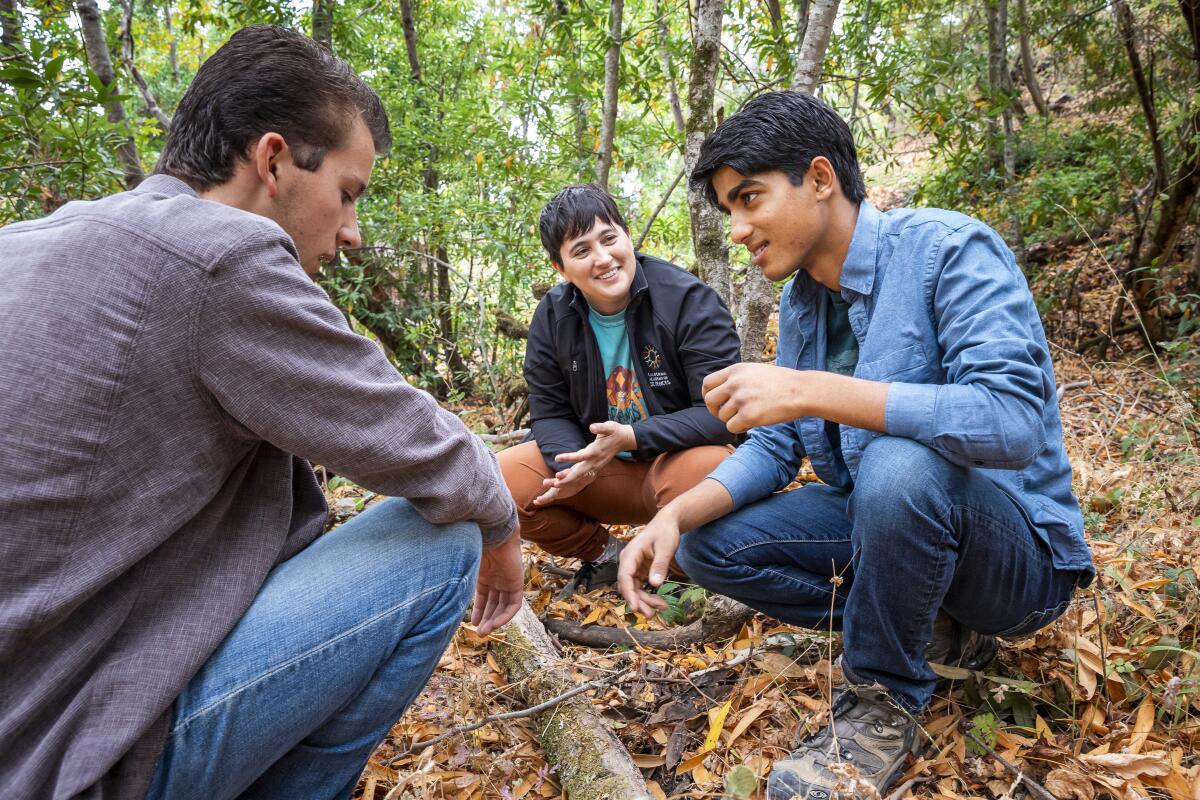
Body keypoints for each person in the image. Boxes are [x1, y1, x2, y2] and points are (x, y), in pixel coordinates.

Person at [0, 25, 522, 800]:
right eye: (347, 194)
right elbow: (414, 437)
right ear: (273, 159)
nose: (351, 233)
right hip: (76, 756)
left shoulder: (27, 240)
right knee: (439, 541)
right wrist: (503, 528)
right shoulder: (218, 255)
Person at [617, 91, 1094, 799]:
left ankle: (882, 700)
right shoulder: (802, 301)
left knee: (902, 466)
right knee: (705, 542)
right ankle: (934, 634)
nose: (739, 229)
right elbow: (776, 450)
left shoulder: (947, 248)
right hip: (891, 524)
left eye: (750, 198)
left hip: (1018, 560)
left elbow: (1012, 419)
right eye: (728, 210)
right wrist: (672, 517)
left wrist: (812, 389)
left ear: (819, 177)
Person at [498, 184, 740, 592]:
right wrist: (572, 467)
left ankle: (672, 573)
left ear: (628, 235)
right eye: (581, 251)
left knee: (712, 467)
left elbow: (722, 417)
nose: (603, 258)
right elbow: (550, 411)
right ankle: (606, 556)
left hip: (675, 465)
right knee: (499, 480)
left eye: (609, 239)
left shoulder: (687, 300)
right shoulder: (553, 317)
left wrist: (632, 435)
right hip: (604, 472)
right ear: (560, 268)